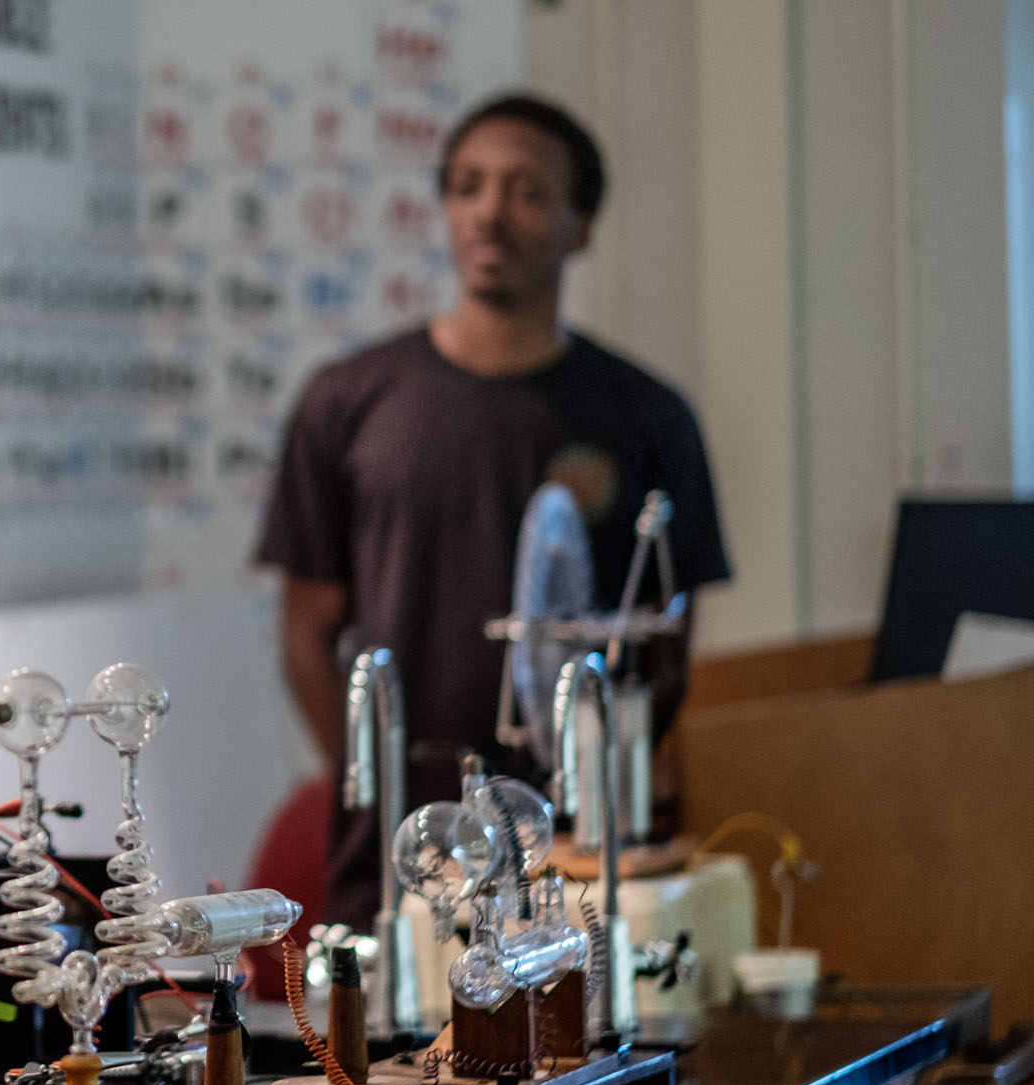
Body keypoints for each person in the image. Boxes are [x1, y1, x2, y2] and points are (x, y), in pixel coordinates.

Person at [255, 93, 730, 929]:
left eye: (527, 192)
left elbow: (669, 638)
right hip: (401, 864)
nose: (491, 214)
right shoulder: (349, 402)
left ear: (580, 225)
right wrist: (374, 784)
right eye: (469, 187)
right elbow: (305, 631)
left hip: (580, 861)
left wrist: (599, 787)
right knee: (399, 1059)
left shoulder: (647, 416)